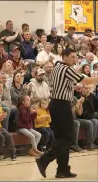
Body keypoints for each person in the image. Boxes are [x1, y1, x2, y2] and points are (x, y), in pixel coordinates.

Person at [36, 48, 98, 179]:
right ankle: (44, 159)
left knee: (61, 137)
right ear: (64, 56)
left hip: (56, 103)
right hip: (61, 105)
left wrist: (72, 87)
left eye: (75, 57)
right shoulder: (67, 69)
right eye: (71, 56)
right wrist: (96, 78)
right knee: (67, 138)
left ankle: (62, 169)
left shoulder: (57, 67)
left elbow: (62, 84)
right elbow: (86, 81)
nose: (74, 59)